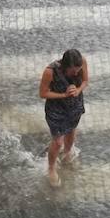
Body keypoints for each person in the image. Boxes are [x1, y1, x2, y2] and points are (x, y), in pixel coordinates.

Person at [39, 49, 88, 187]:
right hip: (56, 110)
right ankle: (51, 168)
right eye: (73, 71)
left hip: (74, 106)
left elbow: (85, 81)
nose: (76, 73)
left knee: (71, 130)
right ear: (65, 66)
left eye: (78, 70)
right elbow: (43, 93)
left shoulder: (81, 61)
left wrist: (78, 90)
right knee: (58, 141)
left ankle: (67, 153)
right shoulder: (50, 71)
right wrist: (63, 95)